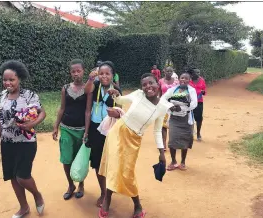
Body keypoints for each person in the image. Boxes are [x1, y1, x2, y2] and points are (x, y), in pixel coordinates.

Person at [98, 73, 178, 218]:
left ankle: (137, 205)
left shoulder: (162, 107)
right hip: (118, 132)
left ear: (157, 84)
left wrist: (161, 152)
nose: (148, 87)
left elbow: (157, 130)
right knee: (114, 166)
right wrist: (116, 94)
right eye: (144, 84)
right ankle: (107, 200)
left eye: (151, 83)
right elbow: (122, 99)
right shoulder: (138, 94)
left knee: (127, 173)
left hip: (134, 140)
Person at [0, 60, 45, 218]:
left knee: (22, 176)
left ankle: (37, 194)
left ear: (19, 79)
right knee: (12, 177)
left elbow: (42, 113)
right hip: (8, 143)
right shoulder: (1, 97)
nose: (7, 83)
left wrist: (32, 123)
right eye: (5, 80)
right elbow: (0, 120)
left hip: (26, 142)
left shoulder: (29, 95)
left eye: (11, 80)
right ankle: (24, 207)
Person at [52, 59, 93, 200]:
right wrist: (56, 125)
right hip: (66, 129)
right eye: (73, 71)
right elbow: (62, 108)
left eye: (78, 71)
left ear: (83, 71)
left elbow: (88, 111)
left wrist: (87, 131)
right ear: (70, 73)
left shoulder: (88, 89)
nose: (76, 74)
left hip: (81, 129)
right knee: (66, 159)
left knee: (80, 159)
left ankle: (81, 184)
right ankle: (71, 185)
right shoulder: (65, 88)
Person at [84, 60, 122, 208]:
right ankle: (103, 193)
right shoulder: (95, 86)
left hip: (111, 131)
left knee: (111, 163)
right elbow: (87, 95)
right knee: (97, 163)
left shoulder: (117, 89)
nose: (104, 76)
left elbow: (121, 111)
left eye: (107, 73)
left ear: (113, 75)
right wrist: (91, 79)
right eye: (101, 73)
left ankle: (110, 191)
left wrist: (117, 110)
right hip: (95, 130)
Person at [162, 73, 198, 171]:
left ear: (189, 80)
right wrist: (171, 106)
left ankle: (183, 162)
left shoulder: (191, 90)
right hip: (174, 119)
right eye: (182, 78)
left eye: (186, 78)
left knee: (185, 140)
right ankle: (173, 162)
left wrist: (181, 108)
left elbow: (194, 103)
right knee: (172, 140)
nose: (183, 80)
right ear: (179, 79)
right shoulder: (173, 89)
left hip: (186, 119)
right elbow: (163, 99)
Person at [159, 66, 179, 151]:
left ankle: (174, 142)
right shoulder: (160, 81)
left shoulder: (177, 82)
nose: (169, 72)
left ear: (173, 72)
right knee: (163, 125)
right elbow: (159, 93)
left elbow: (179, 94)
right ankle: (163, 144)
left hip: (174, 105)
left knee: (174, 125)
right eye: (167, 71)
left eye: (171, 71)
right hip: (164, 105)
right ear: (164, 71)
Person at [189, 68, 206, 141]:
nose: (198, 74)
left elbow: (204, 89)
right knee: (189, 118)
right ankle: (190, 134)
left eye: (199, 72)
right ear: (192, 74)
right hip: (189, 102)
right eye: (196, 72)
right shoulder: (188, 80)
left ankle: (198, 133)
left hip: (199, 101)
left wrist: (203, 92)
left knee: (199, 118)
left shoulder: (202, 80)